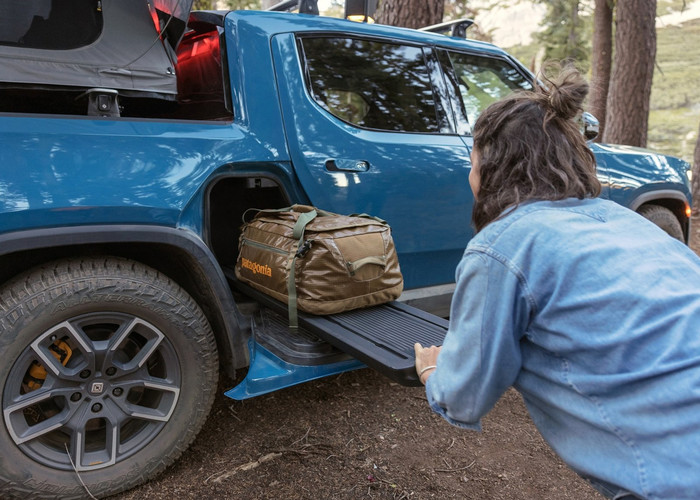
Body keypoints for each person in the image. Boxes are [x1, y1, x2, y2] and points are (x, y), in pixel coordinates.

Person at [414, 66, 700, 500]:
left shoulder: (502, 247)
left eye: (471, 164)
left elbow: (463, 395)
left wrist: (434, 371)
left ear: (489, 168)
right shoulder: (626, 219)